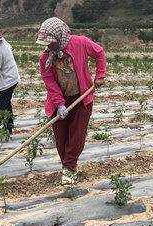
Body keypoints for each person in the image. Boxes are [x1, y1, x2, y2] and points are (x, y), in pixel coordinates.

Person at [36, 17, 106, 185]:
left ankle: (69, 169)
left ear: (59, 37)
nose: (48, 46)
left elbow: (99, 53)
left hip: (81, 97)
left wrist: (100, 75)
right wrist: (60, 103)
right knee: (61, 136)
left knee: (76, 135)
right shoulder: (46, 58)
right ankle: (66, 166)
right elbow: (50, 82)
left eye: (51, 42)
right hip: (59, 100)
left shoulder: (80, 43)